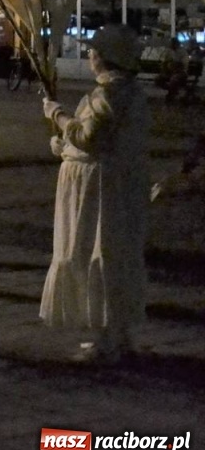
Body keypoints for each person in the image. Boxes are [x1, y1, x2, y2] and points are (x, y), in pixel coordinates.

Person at [41, 24, 150, 363]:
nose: (90, 56)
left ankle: (106, 339)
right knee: (116, 252)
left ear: (105, 57)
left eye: (93, 51)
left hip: (97, 189)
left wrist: (58, 115)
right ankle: (119, 333)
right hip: (114, 182)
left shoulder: (108, 94)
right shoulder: (129, 93)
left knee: (96, 249)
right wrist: (64, 144)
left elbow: (90, 139)